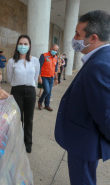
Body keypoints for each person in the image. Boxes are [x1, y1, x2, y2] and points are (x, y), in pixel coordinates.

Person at [55, 10, 110, 185]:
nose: (74, 38)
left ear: (93, 38)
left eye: (78, 34)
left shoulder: (99, 65)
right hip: (85, 139)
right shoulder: (99, 59)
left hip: (84, 142)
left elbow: (106, 114)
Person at [7, 35, 40, 153]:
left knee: (29, 119)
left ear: (29, 46)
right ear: (17, 45)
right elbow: (9, 78)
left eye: (25, 44)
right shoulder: (12, 61)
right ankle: (17, 142)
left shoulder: (35, 60)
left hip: (30, 91)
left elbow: (36, 77)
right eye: (20, 43)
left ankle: (28, 143)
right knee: (18, 119)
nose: (23, 46)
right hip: (17, 92)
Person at [37, 44, 59, 111]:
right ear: (50, 48)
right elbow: (39, 67)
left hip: (51, 77)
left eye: (56, 50)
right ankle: (40, 101)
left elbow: (55, 69)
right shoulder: (44, 55)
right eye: (53, 50)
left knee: (49, 92)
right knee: (47, 91)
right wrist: (39, 77)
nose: (54, 51)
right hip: (44, 77)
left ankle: (47, 105)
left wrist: (56, 79)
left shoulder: (56, 58)